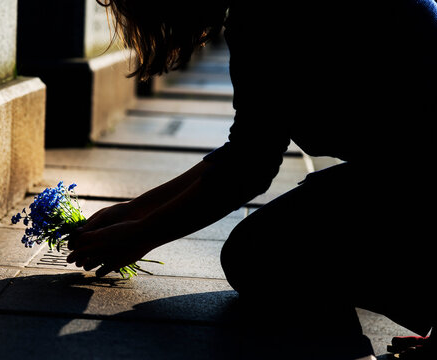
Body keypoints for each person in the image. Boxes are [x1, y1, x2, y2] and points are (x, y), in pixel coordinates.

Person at [67, 0, 436, 359]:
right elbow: (246, 152)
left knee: (260, 256)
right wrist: (135, 213)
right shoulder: (265, 13)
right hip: (407, 175)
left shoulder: (267, 18)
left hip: (416, 182)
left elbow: (247, 168)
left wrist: (140, 234)